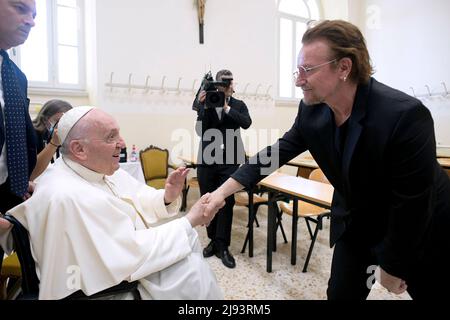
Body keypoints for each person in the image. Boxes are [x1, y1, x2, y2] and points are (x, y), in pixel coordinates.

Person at [204, 20, 450, 299]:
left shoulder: (403, 115)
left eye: (307, 70)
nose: (298, 80)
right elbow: (275, 153)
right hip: (356, 221)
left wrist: (393, 266)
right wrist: (220, 194)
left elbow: (413, 203)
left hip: (419, 227)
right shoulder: (312, 111)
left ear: (344, 67)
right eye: (297, 70)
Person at [0, 106, 223, 300]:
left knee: (188, 243)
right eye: (111, 137)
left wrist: (167, 196)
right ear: (79, 149)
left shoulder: (96, 169)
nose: (122, 143)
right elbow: (126, 254)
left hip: (123, 256)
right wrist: (189, 220)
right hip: (107, 283)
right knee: (194, 272)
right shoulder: (69, 195)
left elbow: (137, 196)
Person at [194, 69, 252, 268]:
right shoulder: (208, 103)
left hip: (230, 159)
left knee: (225, 202)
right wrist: (203, 106)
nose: (226, 86)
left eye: (229, 83)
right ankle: (212, 239)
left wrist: (226, 108)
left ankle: (223, 245)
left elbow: (246, 123)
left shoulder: (238, 105)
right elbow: (200, 130)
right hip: (207, 159)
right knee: (208, 200)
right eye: (222, 83)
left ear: (232, 85)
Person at [0, 0, 37, 214]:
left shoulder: (16, 77)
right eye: (20, 8)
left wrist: (19, 181)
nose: (31, 22)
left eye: (34, 15)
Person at [30, 99, 73, 180]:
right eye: (58, 121)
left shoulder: (67, 135)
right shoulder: (32, 133)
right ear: (45, 120)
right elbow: (31, 173)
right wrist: (54, 143)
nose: (62, 125)